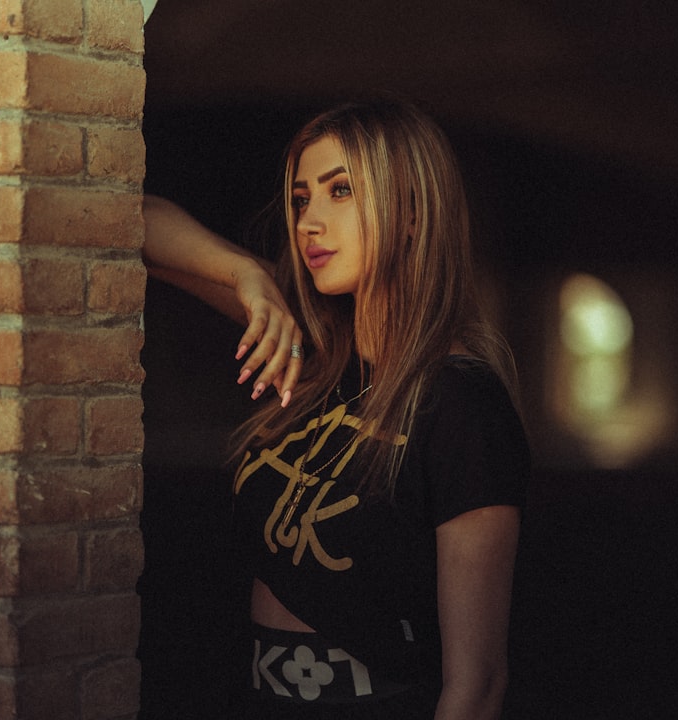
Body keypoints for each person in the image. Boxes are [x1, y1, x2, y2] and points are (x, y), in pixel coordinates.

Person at [143, 99, 530, 720]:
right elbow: (138, 222)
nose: (308, 223)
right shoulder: (314, 344)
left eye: (340, 190)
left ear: (411, 212)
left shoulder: (462, 403)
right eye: (301, 199)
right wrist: (246, 275)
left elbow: (478, 684)